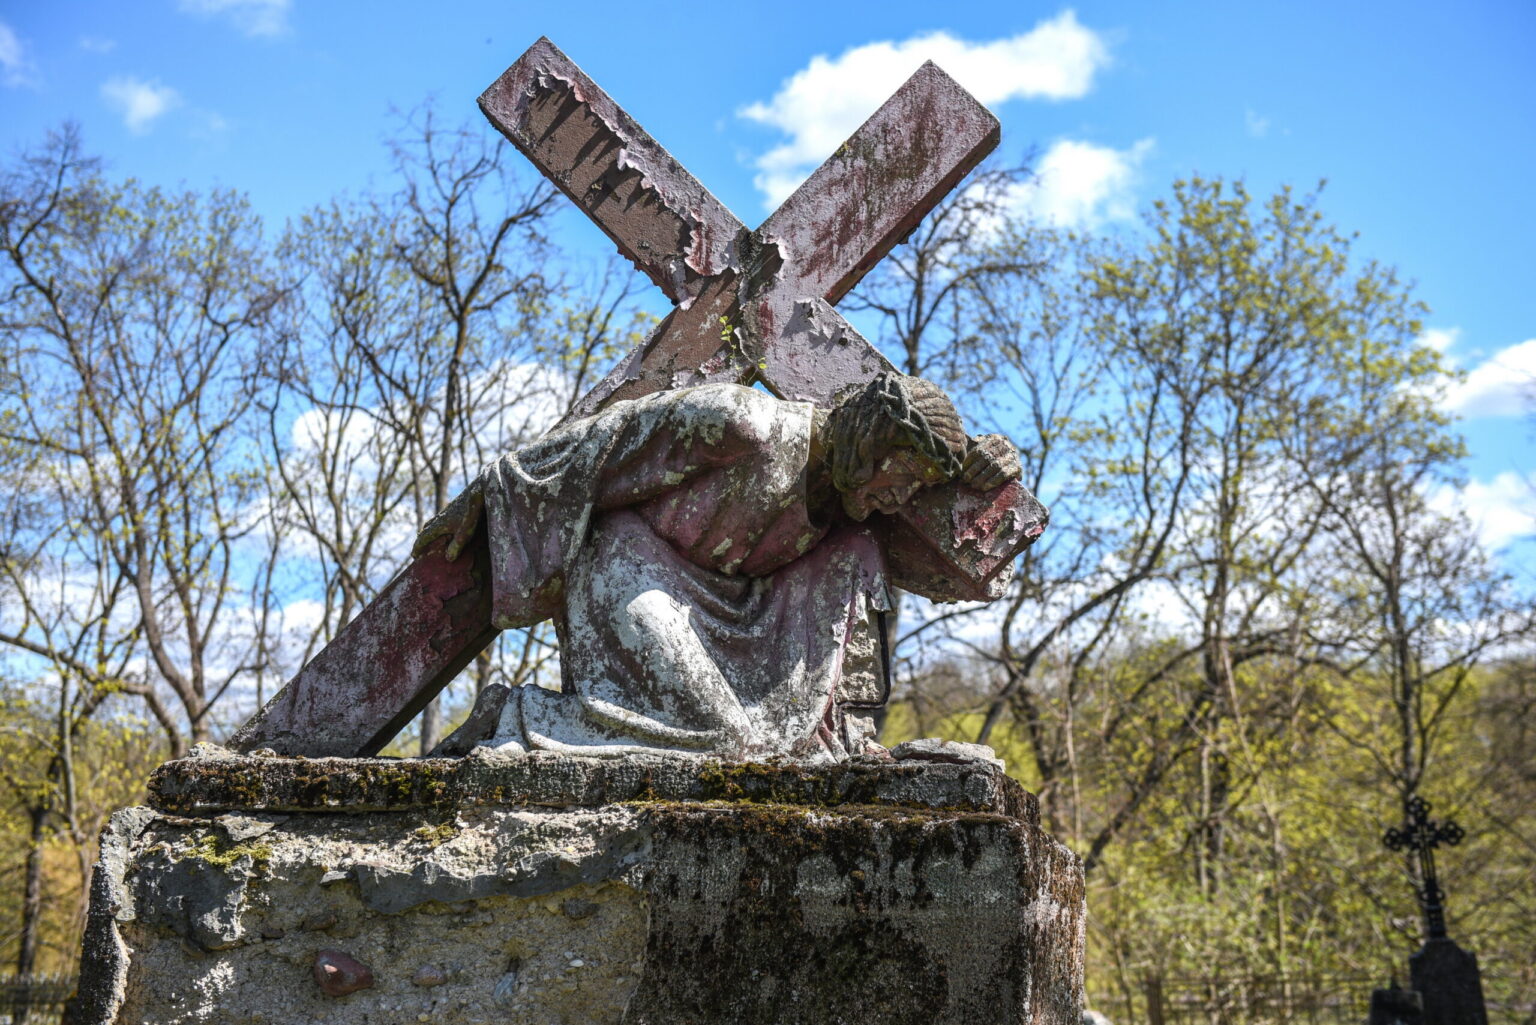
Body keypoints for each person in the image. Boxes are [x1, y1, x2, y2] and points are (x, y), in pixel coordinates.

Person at [414, 371, 1022, 761]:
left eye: (916, 488)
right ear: (872, 442)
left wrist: (990, 463)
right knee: (727, 742)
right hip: (634, 568)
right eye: (904, 477)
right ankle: (519, 717)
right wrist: (482, 499)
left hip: (738, 609)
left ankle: (837, 735)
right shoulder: (743, 424)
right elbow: (600, 446)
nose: (901, 499)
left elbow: (947, 560)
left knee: (768, 740)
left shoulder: (851, 505)